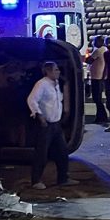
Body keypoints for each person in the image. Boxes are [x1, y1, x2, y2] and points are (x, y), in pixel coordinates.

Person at [26, 62, 80, 190]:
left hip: (56, 124)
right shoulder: (42, 84)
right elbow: (32, 100)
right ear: (48, 72)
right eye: (56, 70)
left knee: (62, 152)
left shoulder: (55, 84)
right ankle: (36, 180)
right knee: (41, 154)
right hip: (45, 125)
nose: (58, 72)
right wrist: (39, 115)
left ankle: (63, 178)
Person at [86, 35, 108, 124]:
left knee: (97, 98)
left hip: (97, 77)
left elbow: (89, 60)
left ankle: (102, 116)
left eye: (94, 41)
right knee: (98, 98)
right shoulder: (105, 49)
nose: (93, 43)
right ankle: (101, 116)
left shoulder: (98, 51)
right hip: (100, 76)